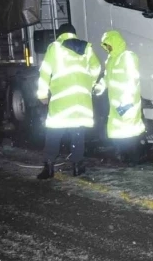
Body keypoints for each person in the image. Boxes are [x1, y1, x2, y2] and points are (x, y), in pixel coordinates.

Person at [36, 23, 101, 180]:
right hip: (81, 101)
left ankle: (49, 166)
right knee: (77, 134)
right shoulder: (87, 48)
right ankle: (77, 166)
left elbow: (45, 72)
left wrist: (42, 94)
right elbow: (97, 68)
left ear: (60, 34)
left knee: (53, 133)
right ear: (74, 33)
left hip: (61, 101)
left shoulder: (55, 47)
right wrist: (89, 83)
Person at [94, 30, 146, 165]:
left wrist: (127, 100)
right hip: (116, 104)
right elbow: (107, 77)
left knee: (131, 132)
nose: (107, 48)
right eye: (105, 45)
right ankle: (124, 156)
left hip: (128, 103)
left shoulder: (127, 57)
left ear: (115, 42)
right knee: (119, 132)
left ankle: (133, 159)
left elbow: (132, 79)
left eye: (108, 44)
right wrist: (100, 87)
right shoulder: (110, 60)